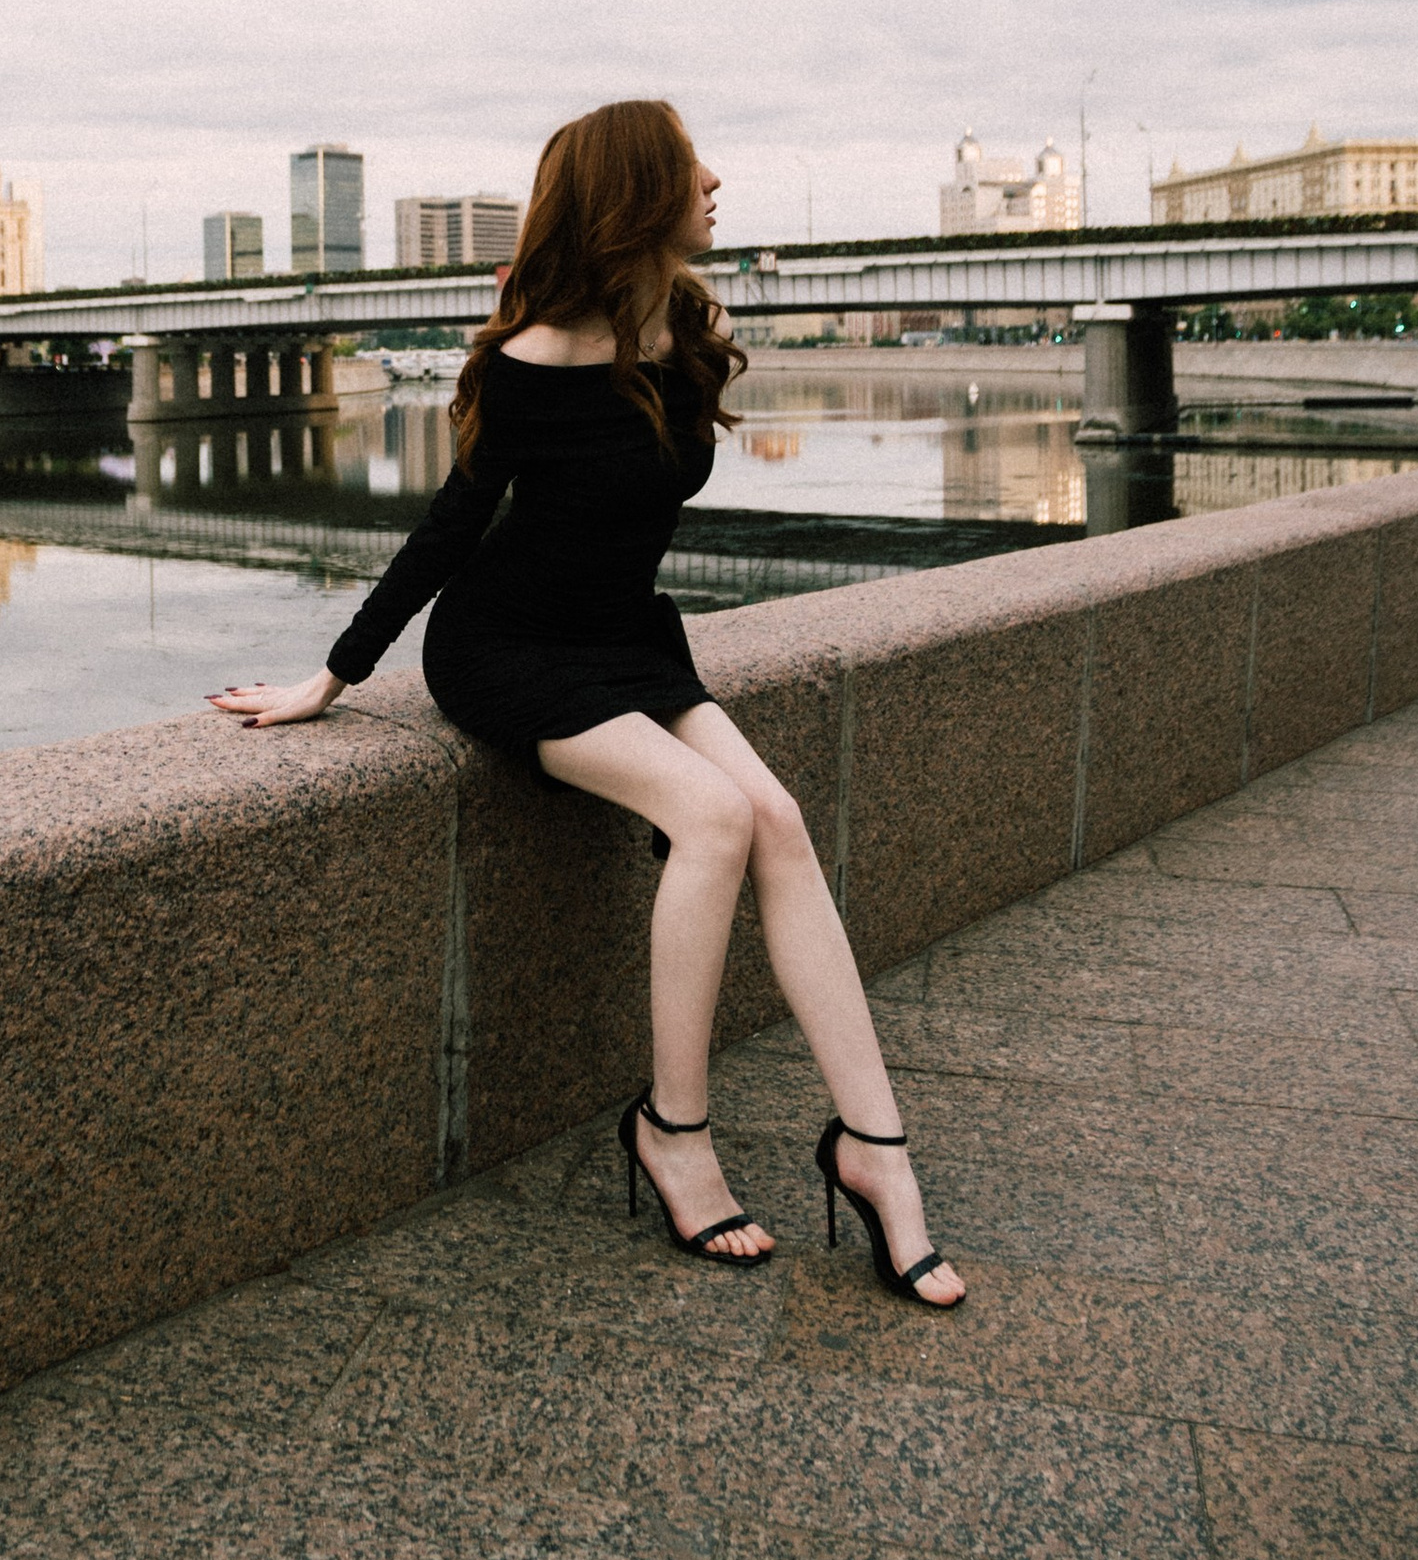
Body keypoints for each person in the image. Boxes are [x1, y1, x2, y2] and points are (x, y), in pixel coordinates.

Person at [210, 98, 964, 1301]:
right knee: (711, 816)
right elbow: (452, 528)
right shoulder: (529, 361)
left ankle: (877, 1152)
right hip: (508, 649)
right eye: (689, 167)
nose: (714, 182)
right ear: (636, 193)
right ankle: (674, 1132)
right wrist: (334, 673)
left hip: (626, 640)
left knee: (776, 820)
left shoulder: (687, 327)